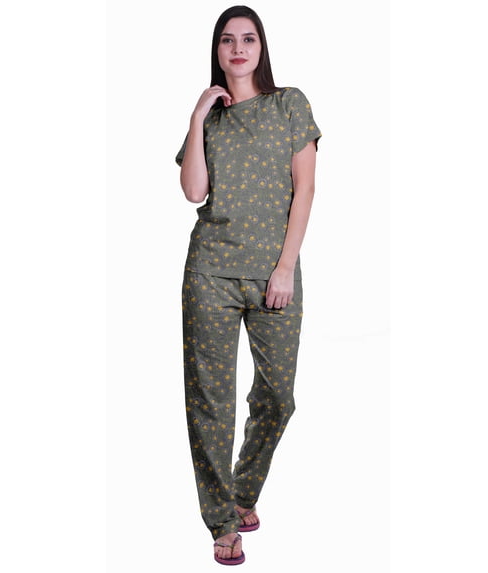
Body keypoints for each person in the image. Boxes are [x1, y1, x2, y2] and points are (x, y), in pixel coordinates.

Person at [175, 5, 321, 566]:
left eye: (248, 39)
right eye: (228, 40)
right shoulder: (210, 120)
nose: (238, 49)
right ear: (217, 50)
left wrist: (285, 268)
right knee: (210, 402)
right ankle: (221, 519)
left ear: (261, 48)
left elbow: (305, 190)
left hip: (272, 273)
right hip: (209, 272)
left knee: (278, 397)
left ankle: (244, 489)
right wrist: (197, 116)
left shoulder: (290, 104)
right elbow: (194, 192)